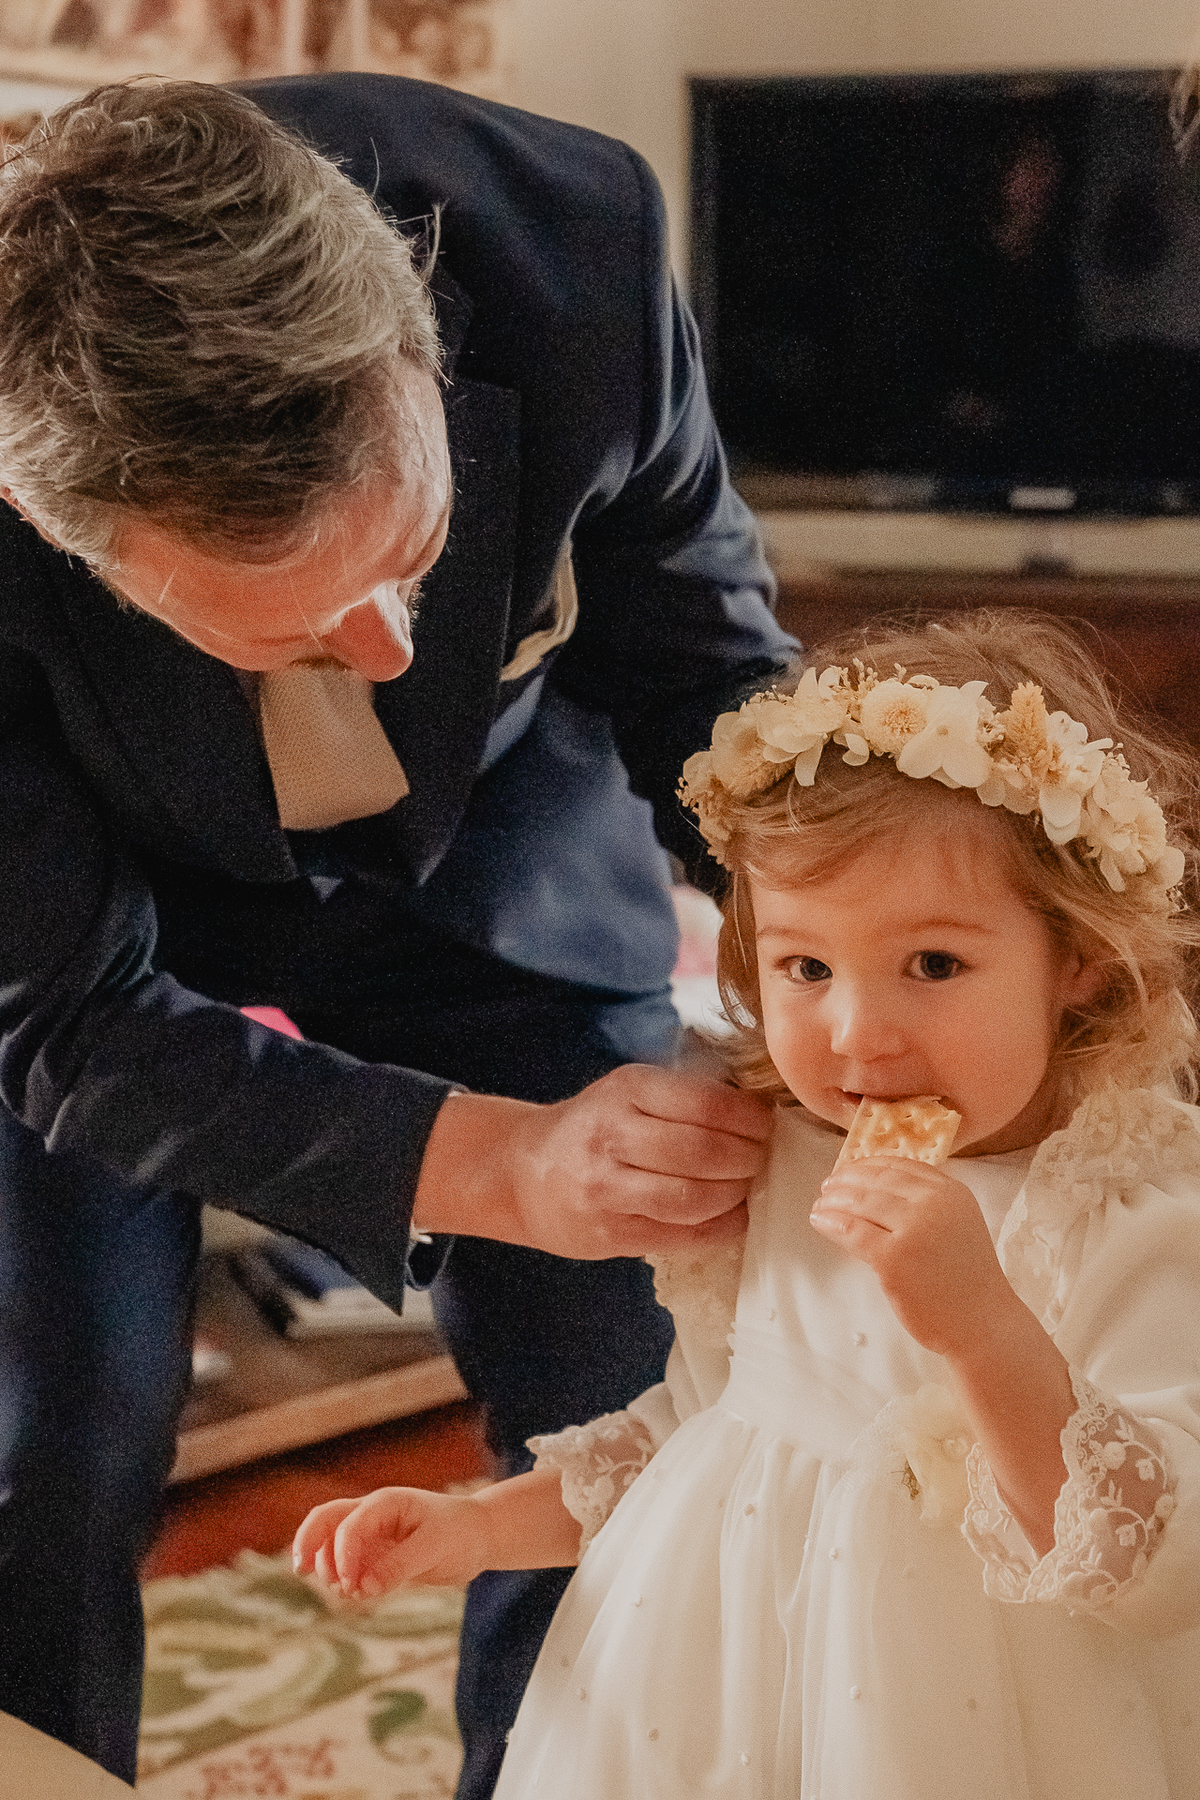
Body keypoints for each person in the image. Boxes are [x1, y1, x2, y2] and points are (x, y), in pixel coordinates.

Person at [0, 76, 791, 1791]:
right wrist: (499, 1163)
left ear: (412, 349)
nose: (380, 650)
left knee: (612, 1410)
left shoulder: (578, 247)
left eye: (411, 557)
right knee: (48, 1444)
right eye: (281, 630)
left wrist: (830, 965)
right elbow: (62, 1017)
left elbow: (710, 678)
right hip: (110, 925)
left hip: (503, 869)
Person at [296, 610, 1200, 1798]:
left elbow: (1149, 1559)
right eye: (805, 967)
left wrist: (983, 1328)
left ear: (1076, 957)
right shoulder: (777, 1159)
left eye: (934, 965)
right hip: (711, 1687)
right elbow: (701, 1432)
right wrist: (481, 1528)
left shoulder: (1140, 1208)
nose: (857, 1034)